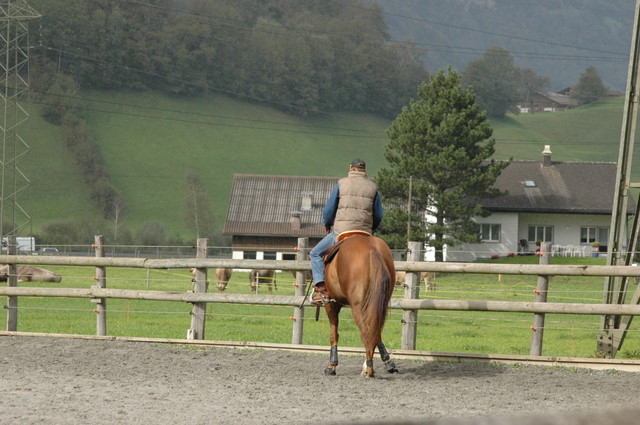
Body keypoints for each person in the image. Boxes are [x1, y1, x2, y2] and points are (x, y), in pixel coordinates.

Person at [309, 158, 383, 305]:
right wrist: (371, 229)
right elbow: (379, 215)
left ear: (351, 168)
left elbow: (329, 210)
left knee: (315, 254)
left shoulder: (342, 183)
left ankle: (322, 290)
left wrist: (327, 223)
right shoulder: (373, 187)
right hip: (365, 232)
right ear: (364, 170)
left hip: (342, 231)